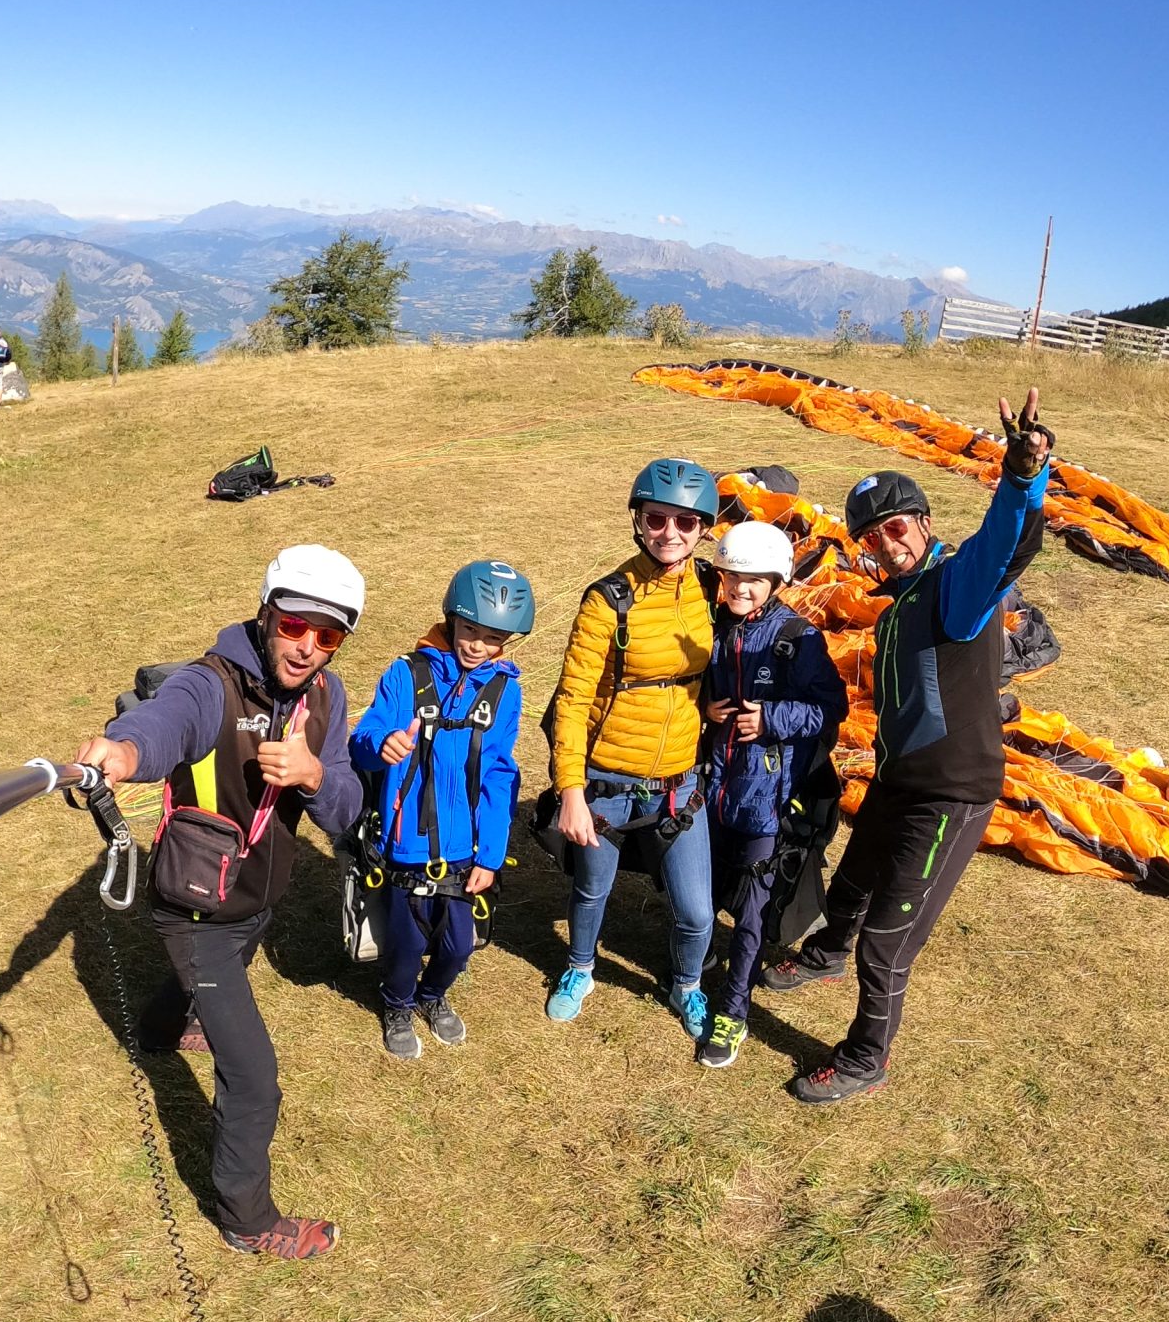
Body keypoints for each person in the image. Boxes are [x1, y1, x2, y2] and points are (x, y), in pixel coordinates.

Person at [73, 544, 367, 1262]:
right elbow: (164, 723)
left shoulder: (329, 700)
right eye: (295, 624)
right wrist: (121, 752)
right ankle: (245, 1217)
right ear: (267, 614)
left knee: (224, 967)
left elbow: (349, 808)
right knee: (255, 1079)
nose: (306, 647)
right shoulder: (212, 685)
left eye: (327, 636)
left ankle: (159, 1027)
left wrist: (310, 777)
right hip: (195, 909)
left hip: (253, 900)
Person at [765, 388, 1054, 1103]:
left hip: (949, 798)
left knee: (888, 944)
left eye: (895, 528)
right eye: (871, 537)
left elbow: (1005, 542)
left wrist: (1022, 475)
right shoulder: (899, 603)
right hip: (899, 779)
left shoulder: (957, 586)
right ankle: (824, 954)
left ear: (923, 523)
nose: (885, 544)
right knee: (852, 882)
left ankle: (866, 1057)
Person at [545, 458, 718, 1033]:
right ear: (639, 521)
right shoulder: (607, 600)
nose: (669, 533)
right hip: (608, 780)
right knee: (592, 889)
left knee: (696, 911)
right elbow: (571, 699)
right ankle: (579, 966)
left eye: (685, 523)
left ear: (703, 529)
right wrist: (570, 792)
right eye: (656, 519)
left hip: (679, 784)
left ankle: (687, 984)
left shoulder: (717, 590)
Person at [348, 559, 531, 1059]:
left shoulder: (504, 692)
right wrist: (381, 743)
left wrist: (491, 856)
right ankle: (397, 1003)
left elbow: (498, 775)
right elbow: (364, 736)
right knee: (405, 945)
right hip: (406, 841)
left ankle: (433, 996)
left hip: (465, 848)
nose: (477, 645)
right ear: (451, 619)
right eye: (470, 629)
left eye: (493, 637)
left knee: (457, 946)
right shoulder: (407, 674)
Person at [696, 520, 847, 1069]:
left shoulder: (795, 640)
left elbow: (832, 709)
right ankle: (696, 966)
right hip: (711, 791)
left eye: (755, 580)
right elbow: (692, 687)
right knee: (702, 891)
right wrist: (705, 711)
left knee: (753, 913)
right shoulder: (713, 629)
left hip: (764, 800)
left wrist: (773, 718)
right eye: (733, 577)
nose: (741, 589)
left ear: (776, 581)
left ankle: (732, 1012)